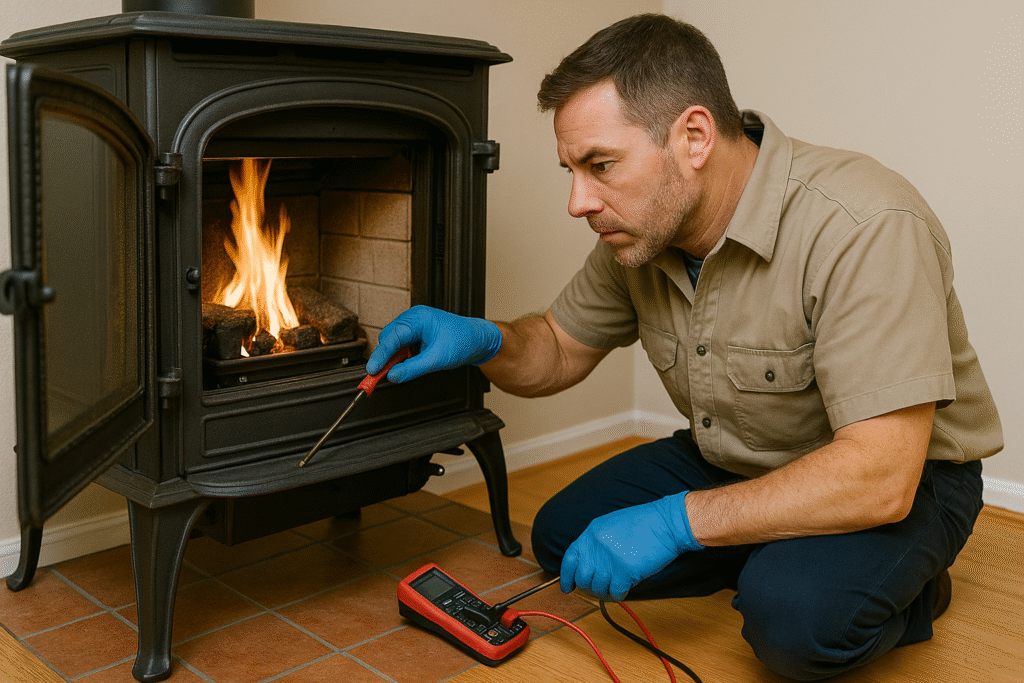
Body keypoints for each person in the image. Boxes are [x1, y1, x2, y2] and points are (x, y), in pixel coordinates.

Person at [366, 13, 1003, 680]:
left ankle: (909, 587)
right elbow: (555, 347)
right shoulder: (638, 234)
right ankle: (763, 546)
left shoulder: (863, 224)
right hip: (740, 456)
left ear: (694, 136)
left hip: (904, 476)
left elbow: (881, 474)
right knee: (562, 539)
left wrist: (675, 523)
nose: (578, 201)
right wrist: (483, 338)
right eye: (571, 170)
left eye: (600, 165)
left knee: (794, 622)